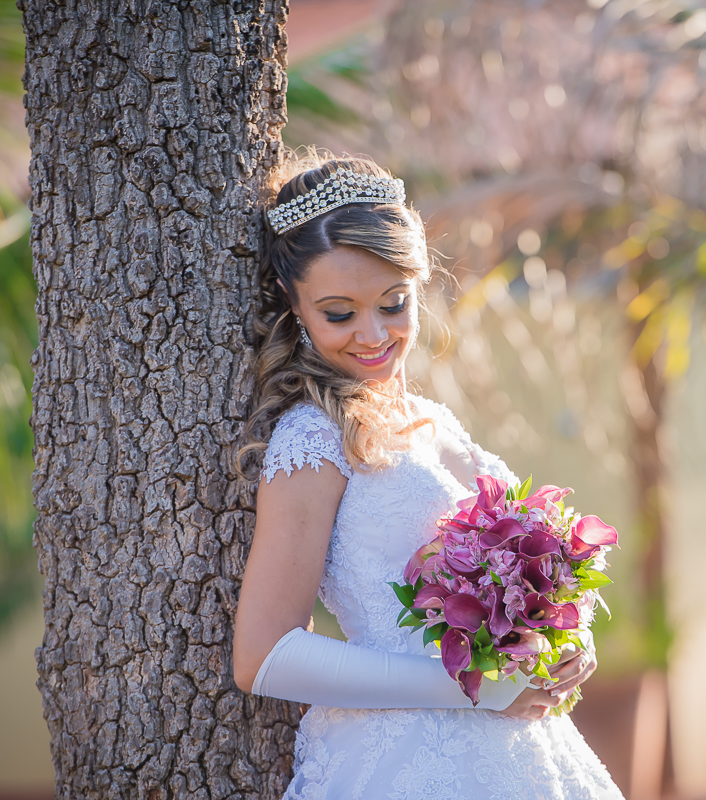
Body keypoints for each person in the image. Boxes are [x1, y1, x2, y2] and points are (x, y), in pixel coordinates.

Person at [232, 150, 625, 799]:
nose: (373, 333)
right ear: (292, 304)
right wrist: (475, 688)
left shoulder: (435, 422)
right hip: (405, 762)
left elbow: (518, 573)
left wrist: (563, 641)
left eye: (394, 303)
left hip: (522, 753)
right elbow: (266, 655)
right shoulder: (312, 439)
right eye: (339, 313)